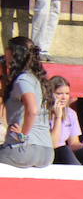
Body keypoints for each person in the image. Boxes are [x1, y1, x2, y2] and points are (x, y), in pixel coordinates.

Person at [0, 34, 51, 168]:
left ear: (15, 54)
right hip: (46, 151)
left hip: (23, 148)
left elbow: (32, 110)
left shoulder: (23, 79)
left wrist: (23, 135)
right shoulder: (38, 79)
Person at [49, 73, 83, 164]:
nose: (64, 97)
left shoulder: (70, 113)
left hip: (65, 153)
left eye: (67, 94)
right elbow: (53, 144)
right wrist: (58, 117)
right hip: (49, 152)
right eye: (59, 94)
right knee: (64, 150)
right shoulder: (43, 113)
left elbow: (73, 143)